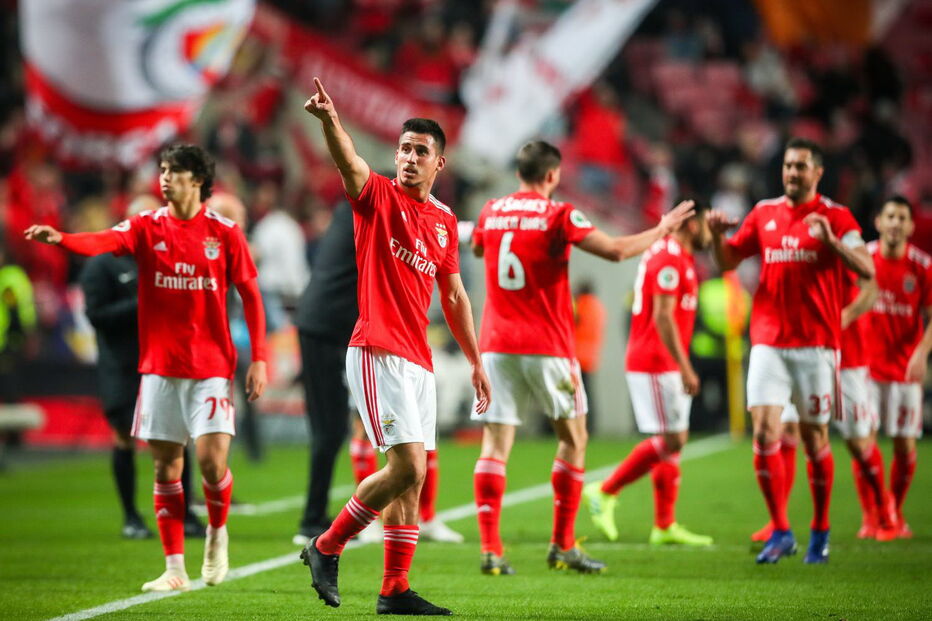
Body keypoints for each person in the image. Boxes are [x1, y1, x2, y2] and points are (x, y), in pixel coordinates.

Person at [25, 144, 268, 591]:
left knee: (213, 465)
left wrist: (261, 360)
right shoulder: (146, 226)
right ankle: (174, 569)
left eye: (174, 172)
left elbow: (251, 297)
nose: (164, 178)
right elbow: (104, 241)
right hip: (158, 368)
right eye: (162, 170)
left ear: (197, 179)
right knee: (165, 469)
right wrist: (63, 239)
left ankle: (216, 533)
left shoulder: (225, 232)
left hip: (211, 366)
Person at [299, 78, 490, 616]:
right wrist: (331, 122)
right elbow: (350, 163)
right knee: (405, 467)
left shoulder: (446, 222)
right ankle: (325, 545)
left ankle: (394, 590)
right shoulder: (377, 197)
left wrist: (475, 360)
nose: (408, 158)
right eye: (404, 149)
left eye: (420, 152)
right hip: (375, 350)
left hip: (418, 360)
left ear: (439, 165)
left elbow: (453, 295)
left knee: (416, 478)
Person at [470, 140, 694, 576]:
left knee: (495, 445)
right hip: (547, 346)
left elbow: (479, 249)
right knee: (573, 439)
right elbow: (615, 251)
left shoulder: (492, 209)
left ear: (520, 172)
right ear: (553, 175)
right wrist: (663, 227)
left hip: (496, 344)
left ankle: (491, 550)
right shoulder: (559, 214)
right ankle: (562, 544)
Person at [707, 137, 874, 564]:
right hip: (768, 341)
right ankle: (780, 529)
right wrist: (713, 236)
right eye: (787, 165)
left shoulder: (837, 216)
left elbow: (867, 268)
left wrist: (833, 243)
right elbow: (727, 261)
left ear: (818, 172)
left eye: (801, 166)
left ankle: (819, 529)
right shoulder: (764, 212)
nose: (792, 173)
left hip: (817, 345)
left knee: (816, 437)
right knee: (764, 431)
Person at [292, 202, 464, 548]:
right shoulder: (370, 211)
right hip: (331, 327)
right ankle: (320, 522)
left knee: (401, 433)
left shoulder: (371, 212)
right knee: (333, 431)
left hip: (355, 327)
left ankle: (400, 520)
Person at [584, 203, 714, 547]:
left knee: (672, 446)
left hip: (663, 360)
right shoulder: (669, 257)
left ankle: (664, 525)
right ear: (693, 225)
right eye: (706, 224)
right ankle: (605, 490)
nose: (709, 232)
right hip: (656, 360)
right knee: (673, 440)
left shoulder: (679, 255)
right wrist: (685, 366)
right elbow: (663, 316)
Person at [751, 268, 899, 543]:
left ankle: (884, 509)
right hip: (802, 350)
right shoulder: (794, 243)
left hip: (847, 356)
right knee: (790, 431)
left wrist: (844, 316)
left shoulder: (841, 245)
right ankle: (778, 521)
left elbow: (871, 290)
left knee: (858, 442)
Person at [866, 196, 932, 538]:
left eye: (901, 217)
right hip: (865, 367)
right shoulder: (863, 258)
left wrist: (922, 352)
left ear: (910, 225)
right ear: (878, 221)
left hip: (905, 369)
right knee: (864, 441)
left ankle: (896, 511)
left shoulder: (922, 265)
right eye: (889, 215)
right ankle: (872, 515)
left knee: (905, 444)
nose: (895, 222)